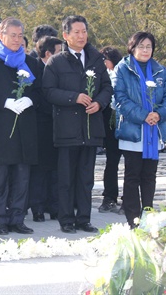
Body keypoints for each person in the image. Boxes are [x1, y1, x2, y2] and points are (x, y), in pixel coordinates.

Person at [43, 15, 113, 234]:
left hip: (91, 126)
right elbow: (48, 91)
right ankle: (66, 220)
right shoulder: (57, 61)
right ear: (66, 35)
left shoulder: (95, 59)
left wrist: (100, 103)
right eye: (76, 32)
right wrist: (74, 97)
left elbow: (107, 88)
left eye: (84, 31)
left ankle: (84, 219)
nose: (81, 36)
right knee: (66, 178)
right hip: (67, 128)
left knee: (86, 178)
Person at [0, 17, 41, 235]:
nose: (16, 40)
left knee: (22, 176)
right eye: (12, 35)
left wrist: (29, 100)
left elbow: (40, 90)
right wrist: (4, 102)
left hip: (25, 126)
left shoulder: (31, 62)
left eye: (19, 35)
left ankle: (17, 218)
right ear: (1, 36)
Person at [113, 31, 166, 228]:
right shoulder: (123, 68)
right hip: (133, 129)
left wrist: (159, 114)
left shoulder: (160, 70)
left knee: (149, 175)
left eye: (149, 46)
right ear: (132, 47)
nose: (145, 50)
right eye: (141, 46)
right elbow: (120, 98)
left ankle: (148, 214)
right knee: (132, 176)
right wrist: (143, 115)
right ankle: (133, 219)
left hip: (154, 130)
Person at [28, 35, 63, 222]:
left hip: (58, 125)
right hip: (40, 125)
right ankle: (38, 208)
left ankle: (55, 206)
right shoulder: (35, 68)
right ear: (48, 53)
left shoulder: (60, 69)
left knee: (56, 169)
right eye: (59, 52)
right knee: (40, 171)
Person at [97, 46, 124, 214]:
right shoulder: (101, 77)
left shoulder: (123, 74)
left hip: (125, 120)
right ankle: (109, 197)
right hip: (109, 122)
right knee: (111, 162)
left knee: (130, 162)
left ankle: (129, 198)